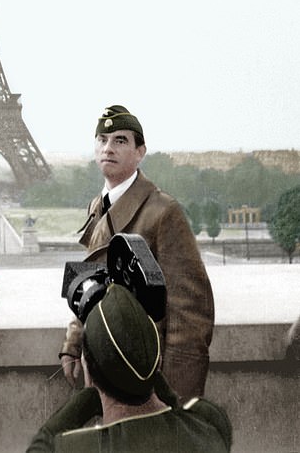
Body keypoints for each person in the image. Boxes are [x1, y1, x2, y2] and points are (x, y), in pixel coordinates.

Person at [60, 106, 214, 401]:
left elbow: (190, 315)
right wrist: (72, 343)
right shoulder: (98, 206)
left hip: (144, 378)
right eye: (102, 140)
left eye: (120, 141)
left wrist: (175, 397)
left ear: (140, 152)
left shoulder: (164, 212)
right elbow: (92, 285)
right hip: (103, 367)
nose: (108, 148)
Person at [29, 284, 232, 452]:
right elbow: (181, 416)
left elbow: (43, 443)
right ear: (158, 361)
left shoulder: (75, 448)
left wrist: (90, 394)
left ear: (89, 371)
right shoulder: (212, 427)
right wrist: (144, 367)